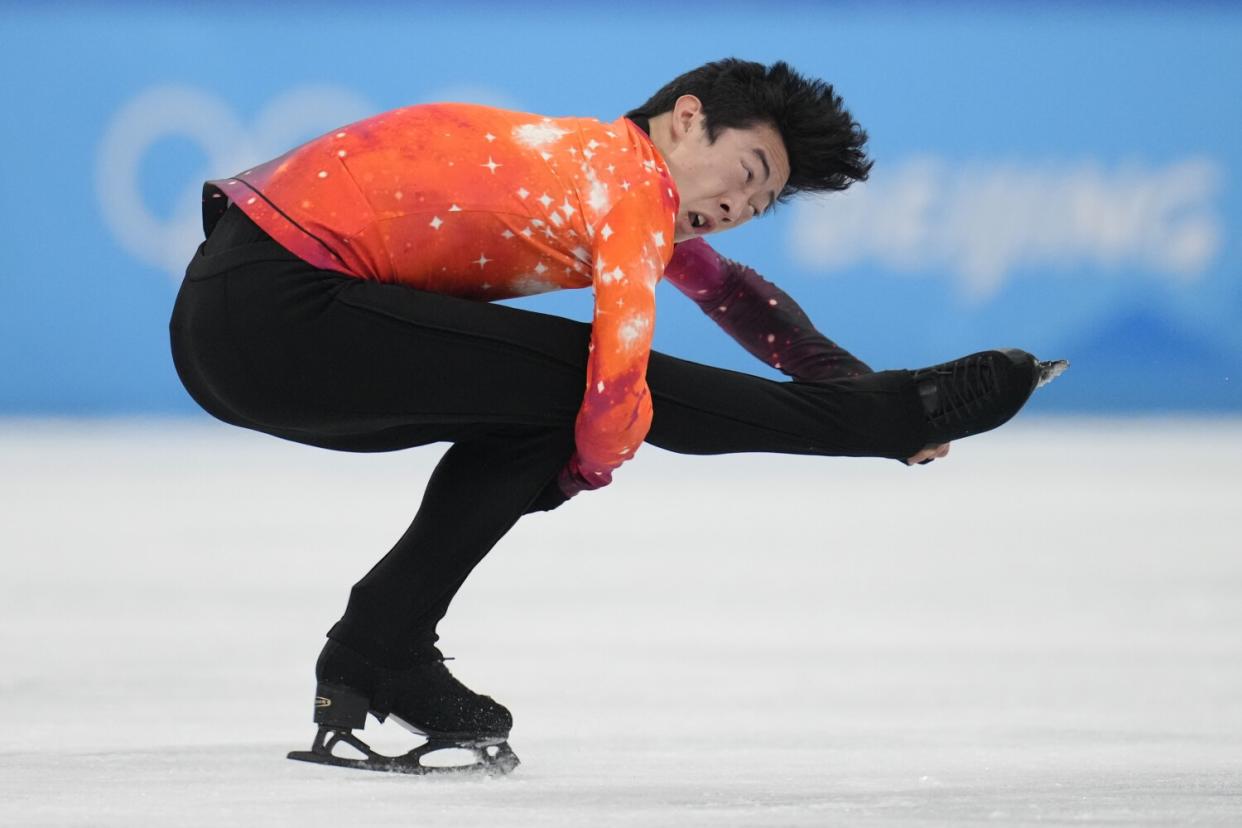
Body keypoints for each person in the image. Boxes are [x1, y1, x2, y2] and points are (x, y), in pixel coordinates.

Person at [168, 58, 1062, 774]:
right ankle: (885, 416)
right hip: (277, 312)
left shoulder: (595, 170)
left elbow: (735, 297)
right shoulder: (627, 182)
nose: (735, 210)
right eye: (746, 173)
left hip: (235, 324)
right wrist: (589, 464)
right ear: (685, 115)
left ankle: (380, 650)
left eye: (755, 208)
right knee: (585, 388)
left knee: (530, 409)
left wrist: (846, 378)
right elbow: (618, 382)